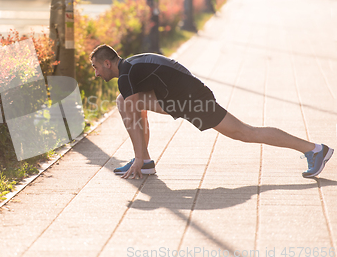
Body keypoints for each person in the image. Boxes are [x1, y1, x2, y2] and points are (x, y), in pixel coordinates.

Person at [90, 44, 334, 179]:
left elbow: (134, 116)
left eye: (96, 68)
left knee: (244, 132)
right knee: (125, 101)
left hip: (192, 99)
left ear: (107, 63)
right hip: (181, 97)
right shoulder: (131, 66)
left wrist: (139, 156)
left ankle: (314, 150)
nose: (96, 73)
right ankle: (144, 161)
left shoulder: (127, 74)